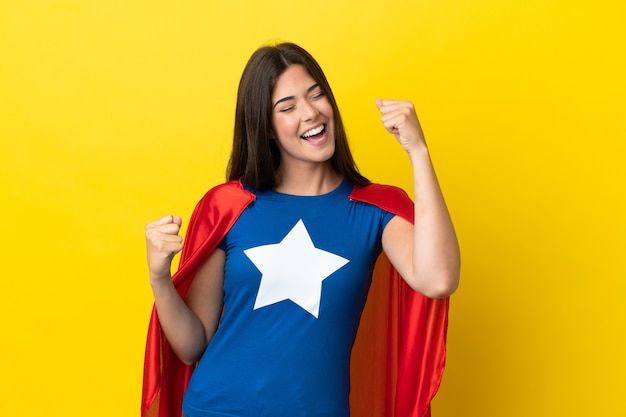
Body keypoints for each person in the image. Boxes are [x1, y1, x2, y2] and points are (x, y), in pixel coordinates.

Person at [142, 42, 460, 417]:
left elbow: (438, 280)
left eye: (316, 95)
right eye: (288, 107)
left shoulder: (375, 209)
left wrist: (418, 151)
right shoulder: (229, 205)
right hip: (216, 408)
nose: (310, 113)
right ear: (268, 128)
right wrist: (159, 277)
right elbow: (192, 345)